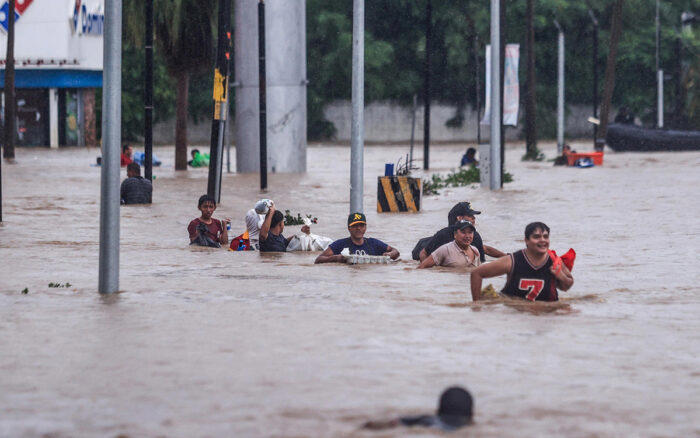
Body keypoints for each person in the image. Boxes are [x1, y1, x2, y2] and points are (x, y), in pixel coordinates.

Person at [470, 222, 573, 301]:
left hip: (545, 315)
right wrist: (477, 306)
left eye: (545, 237)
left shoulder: (554, 260)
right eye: (536, 237)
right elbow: (477, 273)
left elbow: (566, 287)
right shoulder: (513, 261)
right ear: (526, 240)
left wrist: (561, 276)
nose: (542, 240)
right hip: (515, 314)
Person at [415, 202, 505, 263]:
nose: (474, 218)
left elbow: (482, 258)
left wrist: (508, 257)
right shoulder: (442, 236)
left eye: (474, 216)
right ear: (459, 218)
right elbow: (423, 253)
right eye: (470, 216)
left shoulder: (475, 237)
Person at [362, 386, 473, 432]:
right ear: (471, 414)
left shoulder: (426, 418)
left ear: (438, 410)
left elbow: (396, 421)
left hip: (427, 425)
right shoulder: (468, 427)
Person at [314, 212, 399, 263]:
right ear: (349, 228)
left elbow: (396, 252)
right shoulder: (340, 244)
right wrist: (335, 258)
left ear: (365, 228)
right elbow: (318, 259)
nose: (358, 228)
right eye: (355, 226)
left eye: (361, 225)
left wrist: (390, 254)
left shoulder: (373, 243)